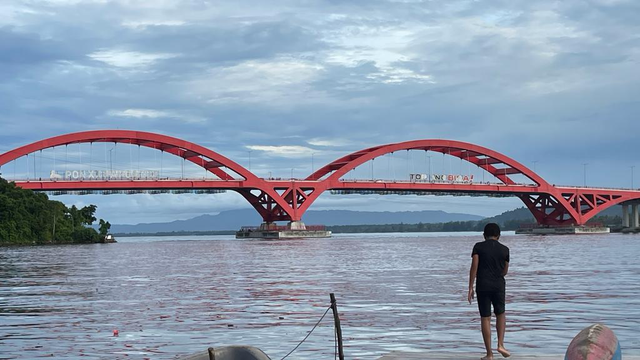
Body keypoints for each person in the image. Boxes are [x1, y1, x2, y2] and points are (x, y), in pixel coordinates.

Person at [468, 223, 511, 360]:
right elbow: (505, 271)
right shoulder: (505, 249)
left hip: (483, 285)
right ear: (498, 236)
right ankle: (500, 344)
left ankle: (489, 354)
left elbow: (474, 266)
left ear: (484, 235)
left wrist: (470, 287)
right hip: (498, 285)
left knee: (485, 317)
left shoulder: (478, 247)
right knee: (500, 314)